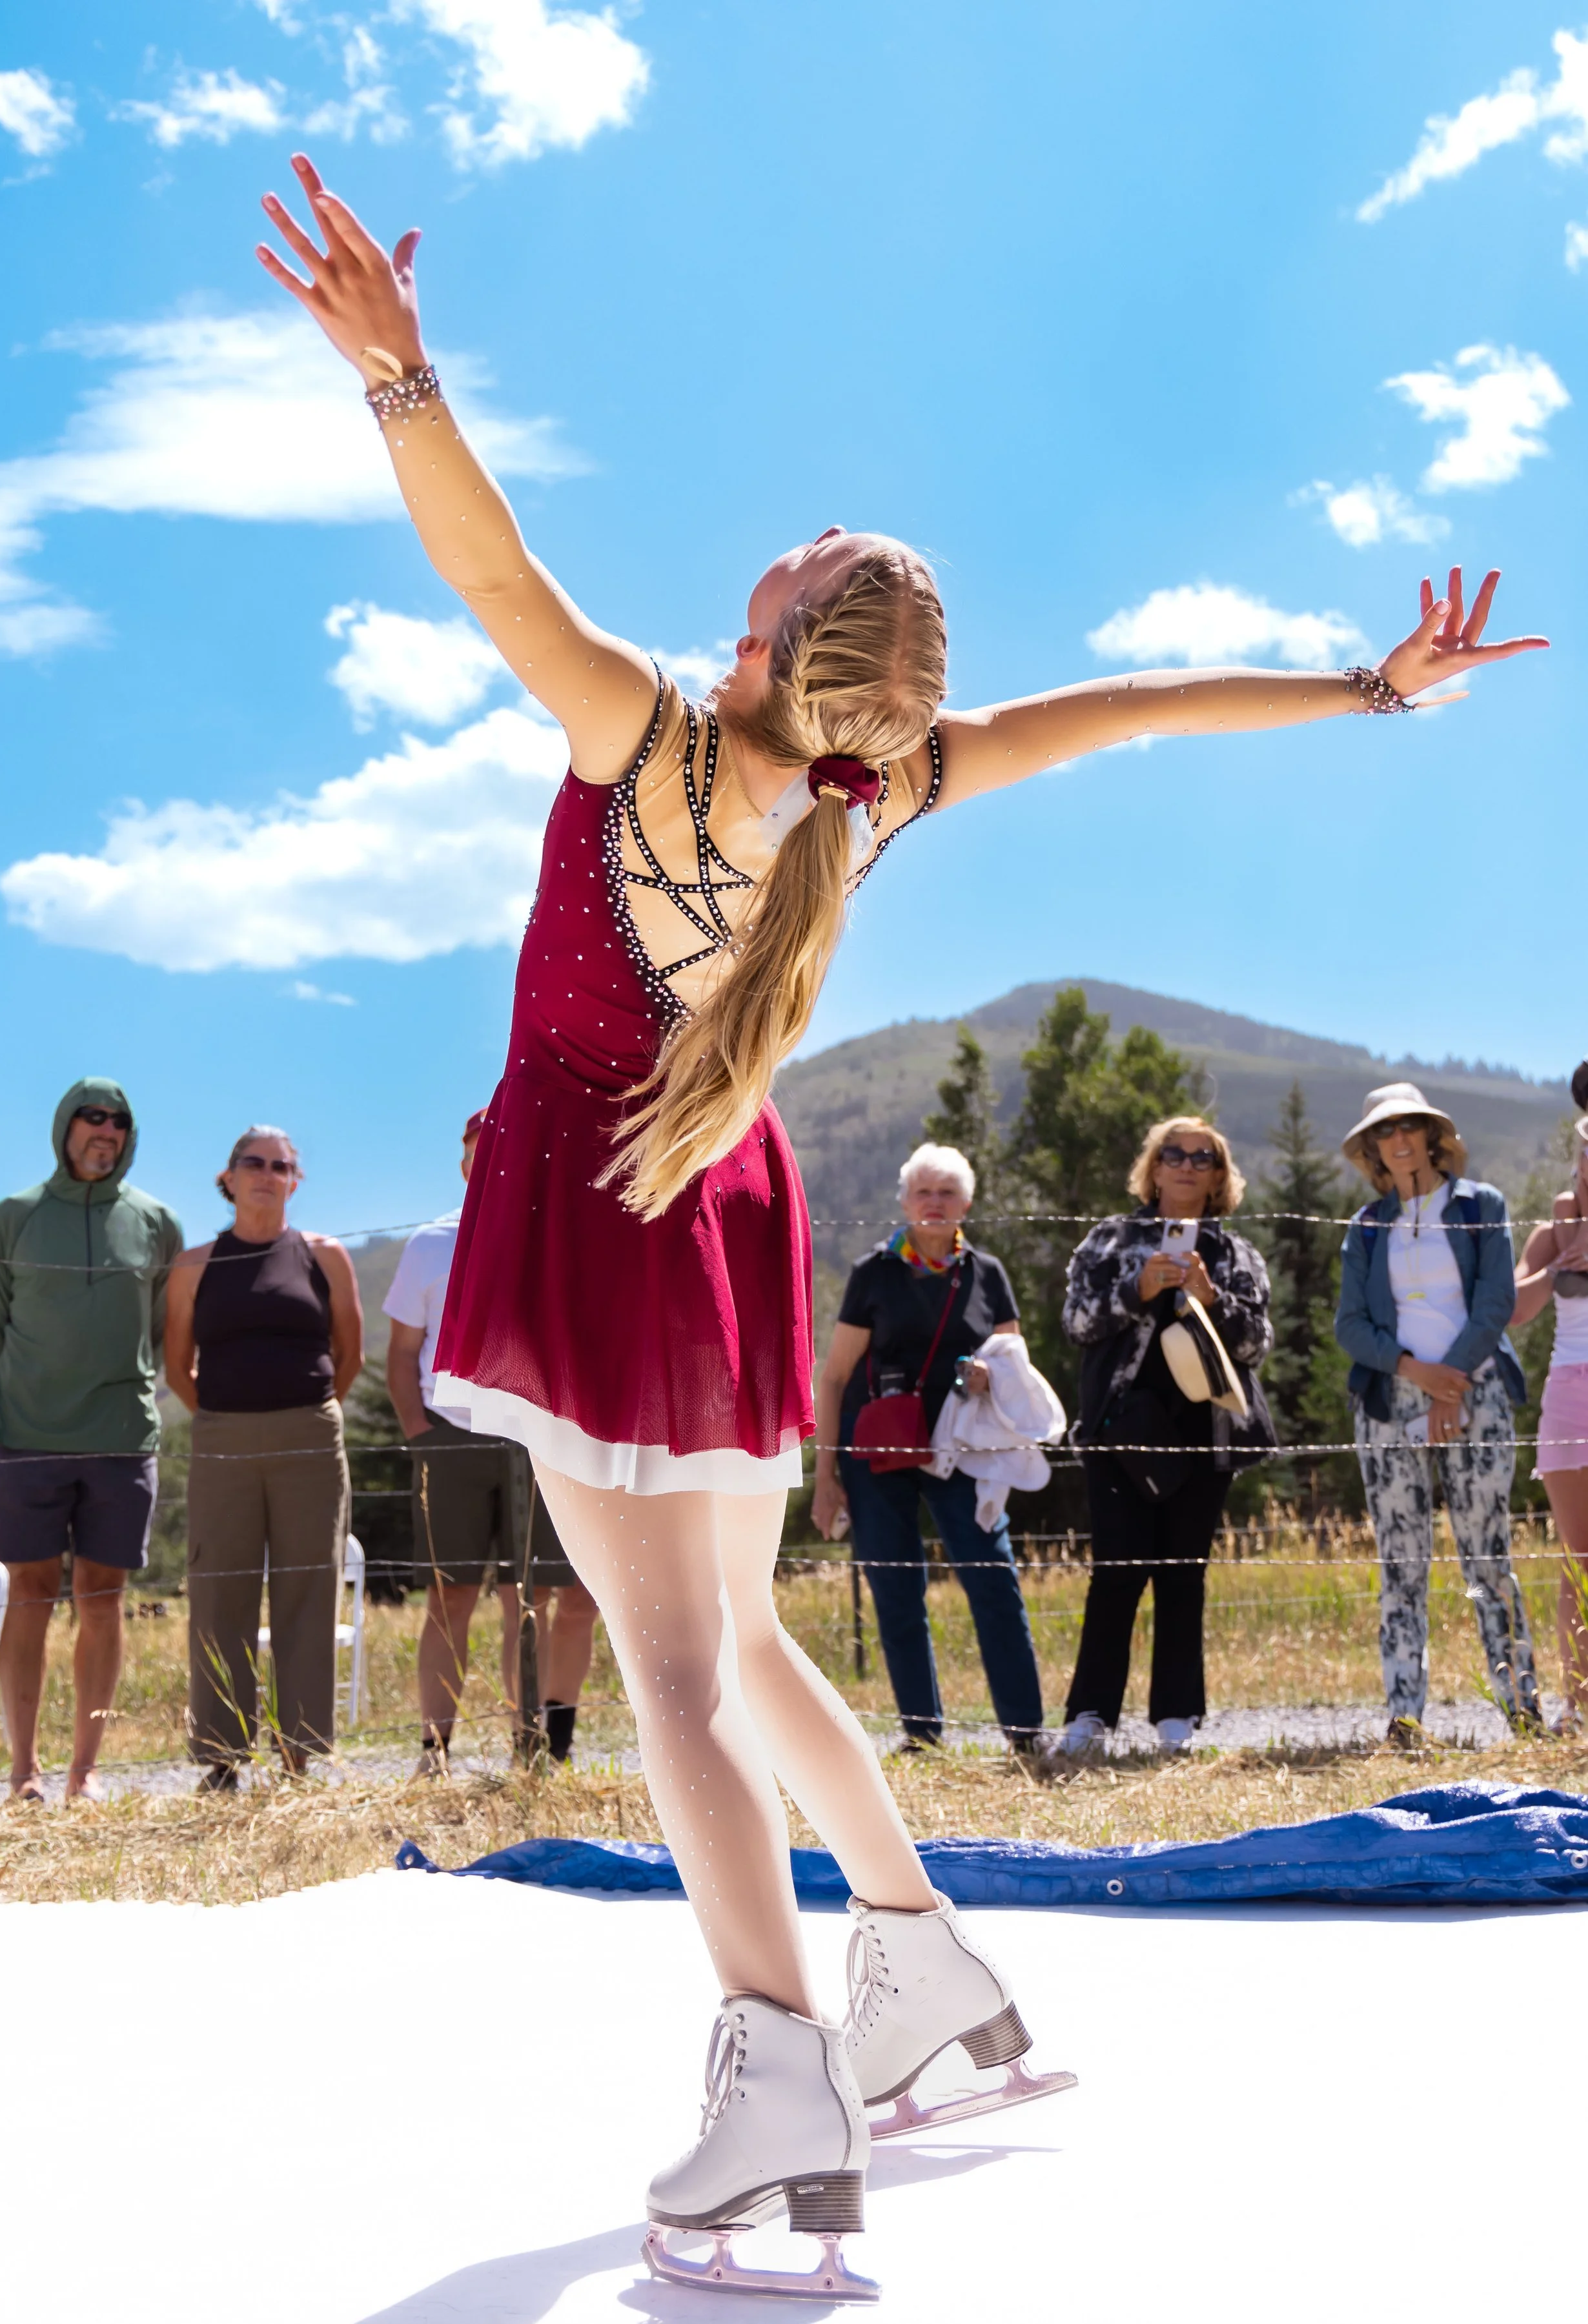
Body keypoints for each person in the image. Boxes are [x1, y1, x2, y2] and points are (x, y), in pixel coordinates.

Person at [257, 147, 1543, 2298]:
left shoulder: (654, 747)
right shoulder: (881, 794)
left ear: (775, 637)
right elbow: (1130, 710)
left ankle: (775, 2093)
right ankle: (926, 1974)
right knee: (738, 1643)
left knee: (673, 1664)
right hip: (732, 1195)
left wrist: (403, 381)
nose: (773, 544)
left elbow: (493, 581)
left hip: (612, 1194)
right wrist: (1369, 694)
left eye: (796, 554)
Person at [0, 1078, 182, 1803]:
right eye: (91, 1118)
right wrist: (39, 1387)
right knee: (29, 1595)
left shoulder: (157, 1221)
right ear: (65, 1126)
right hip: (27, 1437)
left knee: (103, 1598)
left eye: (119, 1121)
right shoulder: (11, 1217)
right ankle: (25, 1772)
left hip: (122, 1437)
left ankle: (85, 1772)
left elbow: (163, 1326)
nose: (105, 1130)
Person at [813, 1142, 1046, 1762]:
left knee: (993, 1578)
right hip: (878, 1450)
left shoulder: (987, 1274)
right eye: (924, 1192)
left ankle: (1025, 1732)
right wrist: (826, 1476)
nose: (935, 1203)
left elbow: (1012, 1365)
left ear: (967, 1202)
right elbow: (833, 1376)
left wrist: (985, 1377)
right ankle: (922, 1733)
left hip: (962, 1450)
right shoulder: (874, 1273)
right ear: (905, 1202)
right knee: (896, 1589)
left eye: (947, 1192)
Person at [384, 1107, 599, 1773]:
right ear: (465, 1161)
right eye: (484, 1147)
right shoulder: (428, 1244)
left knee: (529, 1597)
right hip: (452, 1440)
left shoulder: (557, 1237)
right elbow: (400, 1353)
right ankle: (435, 1751)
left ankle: (535, 1748)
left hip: (535, 1441)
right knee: (448, 1599)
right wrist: (422, 1436)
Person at [1060, 1119, 1274, 1757]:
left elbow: (1257, 1343)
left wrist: (1211, 1297)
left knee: (1184, 1575)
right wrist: (1138, 1288)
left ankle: (1176, 1719)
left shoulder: (1236, 1255)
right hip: (1118, 1433)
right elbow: (1075, 1322)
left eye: (1201, 1156)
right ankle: (1090, 1716)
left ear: (1217, 1176)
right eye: (1172, 1154)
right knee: (1115, 1574)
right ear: (1153, 1170)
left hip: (1202, 1435)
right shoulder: (1109, 1238)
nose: (1185, 1164)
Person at [1335, 1083, 1540, 1745]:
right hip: (1389, 1406)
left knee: (1487, 1558)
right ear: (1372, 1149)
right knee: (1401, 1565)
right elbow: (1350, 1326)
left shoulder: (1481, 1206)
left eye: (1409, 1128)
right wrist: (1412, 1372)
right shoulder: (1366, 1228)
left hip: (1474, 1396)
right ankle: (1404, 1720)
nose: (1398, 1142)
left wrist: (1448, 1386)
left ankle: (1522, 1709)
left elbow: (1495, 1303)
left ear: (1430, 1136)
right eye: (1384, 1133)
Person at [163, 1127, 363, 1786]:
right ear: (228, 1176)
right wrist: (226, 1420)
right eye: (254, 1162)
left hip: (310, 1437)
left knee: (308, 1588)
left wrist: (305, 1415)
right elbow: (176, 1366)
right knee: (221, 1592)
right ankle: (221, 1758)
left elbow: (349, 1353)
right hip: (222, 1437)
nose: (266, 1173)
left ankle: (300, 1754)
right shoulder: (194, 1264)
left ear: (294, 1181)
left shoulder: (325, 1255)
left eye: (281, 1165)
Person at [1507, 1060, 1588, 1733]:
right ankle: (1580, 1703)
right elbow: (1513, 1309)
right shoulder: (1553, 1229)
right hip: (1568, 1394)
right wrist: (1564, 1259)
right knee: (1577, 1556)